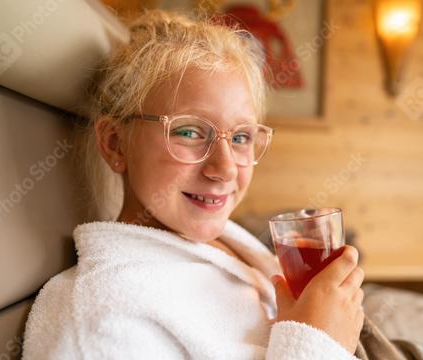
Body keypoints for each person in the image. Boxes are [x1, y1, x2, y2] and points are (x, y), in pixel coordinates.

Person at [22, 9, 365, 359]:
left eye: (242, 136)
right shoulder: (100, 319)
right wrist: (321, 343)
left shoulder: (222, 245)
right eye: (188, 132)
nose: (226, 168)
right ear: (115, 143)